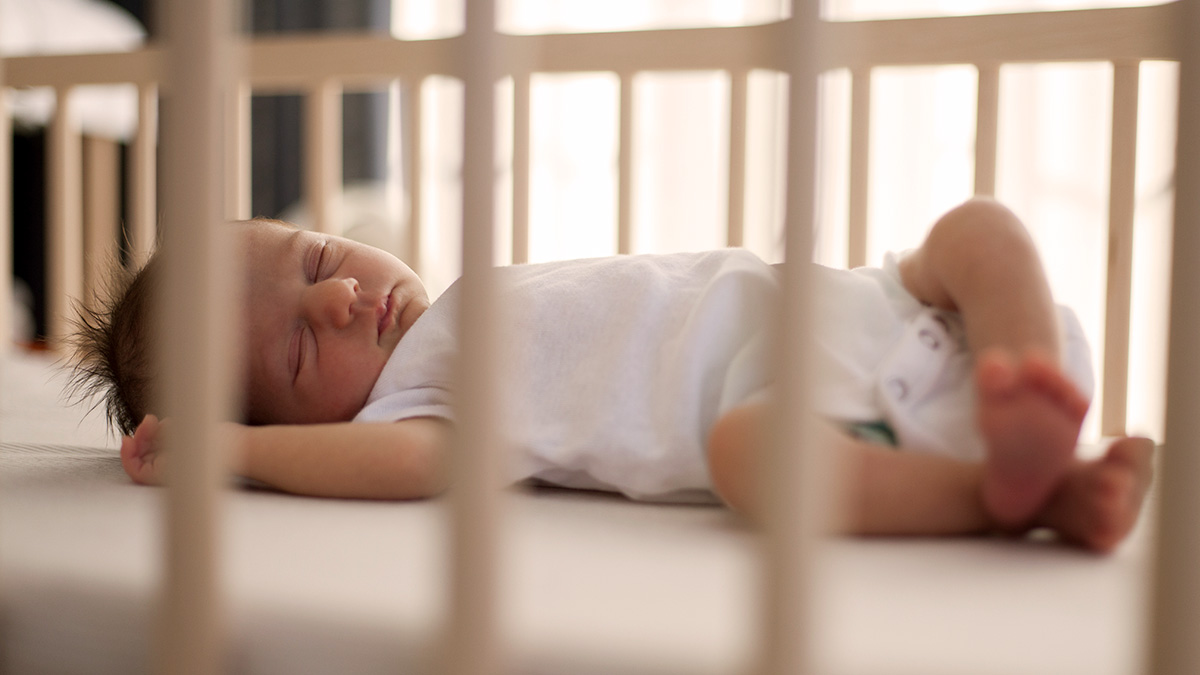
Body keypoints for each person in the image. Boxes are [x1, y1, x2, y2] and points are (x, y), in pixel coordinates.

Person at [69, 198, 1154, 553]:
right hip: (819, 419)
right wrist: (231, 452)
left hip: (884, 311)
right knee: (748, 461)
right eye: (302, 349)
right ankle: (1016, 489)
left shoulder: (464, 305)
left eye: (315, 260)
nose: (341, 298)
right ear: (297, 420)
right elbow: (409, 465)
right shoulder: (420, 401)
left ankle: (1027, 386)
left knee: (979, 228)